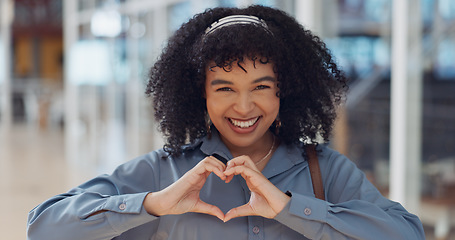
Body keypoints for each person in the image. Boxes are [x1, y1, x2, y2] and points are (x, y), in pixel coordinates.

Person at [27, 5, 425, 240]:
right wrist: (152, 204)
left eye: (261, 86)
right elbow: (43, 227)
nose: (244, 106)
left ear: (283, 89)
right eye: (224, 88)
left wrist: (294, 209)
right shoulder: (164, 172)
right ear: (199, 92)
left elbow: (408, 234)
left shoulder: (325, 171)